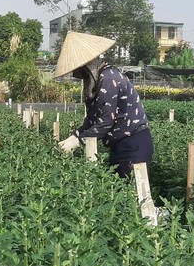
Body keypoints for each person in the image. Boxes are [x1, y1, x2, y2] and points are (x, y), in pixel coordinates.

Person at [54, 32, 153, 178]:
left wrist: (78, 141)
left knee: (133, 192)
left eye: (78, 69)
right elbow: (93, 118)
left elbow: (105, 121)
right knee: (118, 189)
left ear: (87, 65)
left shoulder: (108, 78)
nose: (77, 74)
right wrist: (75, 135)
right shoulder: (96, 81)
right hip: (118, 144)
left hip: (133, 144)